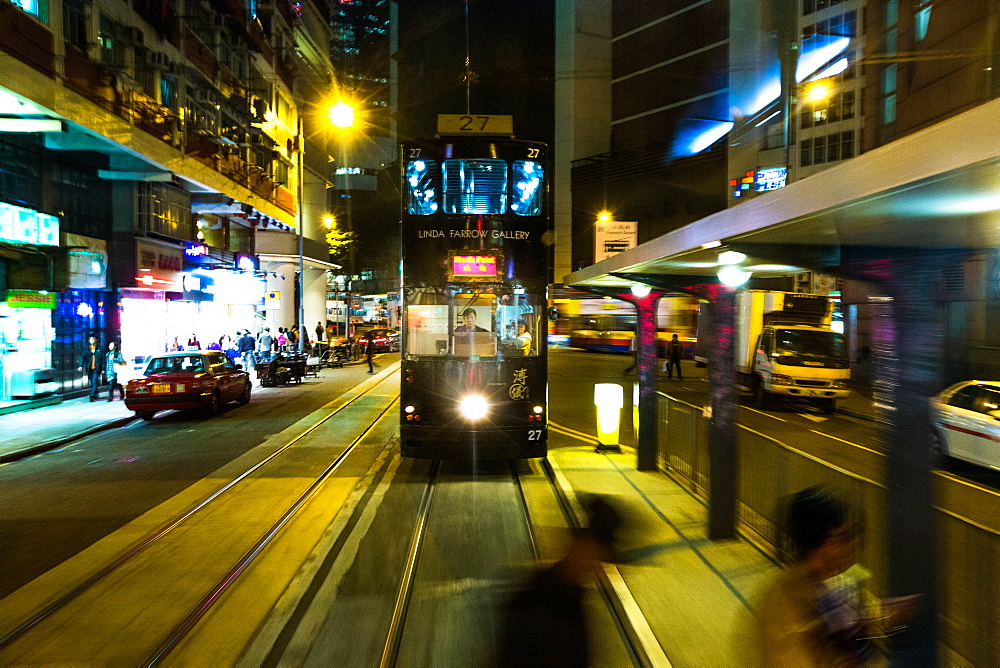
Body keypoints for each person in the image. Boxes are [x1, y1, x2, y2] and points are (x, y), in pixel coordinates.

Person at [756, 487, 919, 666]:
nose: (853, 546)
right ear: (819, 541)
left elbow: (838, 630)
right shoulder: (785, 603)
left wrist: (881, 617)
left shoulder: (825, 584)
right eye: (844, 538)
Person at [499, 495, 623, 666]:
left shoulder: (572, 597)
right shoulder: (535, 603)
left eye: (601, 561)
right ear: (577, 546)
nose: (598, 569)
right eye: (594, 557)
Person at [78, 335, 104, 402]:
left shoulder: (100, 348)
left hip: (97, 368)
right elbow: (82, 357)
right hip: (89, 368)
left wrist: (103, 369)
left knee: (94, 381)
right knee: (92, 382)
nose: (91, 341)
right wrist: (80, 365)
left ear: (96, 340)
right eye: (90, 339)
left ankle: (91, 395)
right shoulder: (86, 348)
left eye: (93, 339)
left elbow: (103, 359)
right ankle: (96, 393)